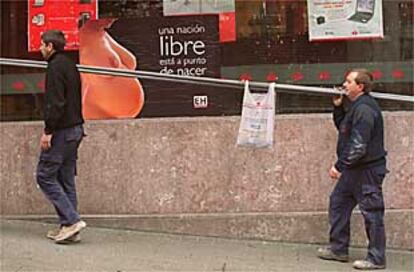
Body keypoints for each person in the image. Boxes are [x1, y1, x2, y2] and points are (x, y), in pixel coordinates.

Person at [317, 69, 387, 270]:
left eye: (349, 82)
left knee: (372, 214)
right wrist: (339, 108)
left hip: (367, 171)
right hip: (354, 170)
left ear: (360, 86)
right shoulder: (356, 107)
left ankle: (376, 258)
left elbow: (358, 145)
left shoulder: (365, 109)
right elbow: (345, 129)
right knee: (338, 203)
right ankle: (338, 249)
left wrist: (339, 166)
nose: (344, 85)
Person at [36, 30, 86, 244]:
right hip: (75, 128)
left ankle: (72, 220)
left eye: (42, 45)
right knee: (65, 178)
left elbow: (55, 102)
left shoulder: (55, 67)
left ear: (50, 46)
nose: (40, 48)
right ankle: (68, 227)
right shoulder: (69, 64)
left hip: (62, 131)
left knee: (44, 176)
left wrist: (48, 131)